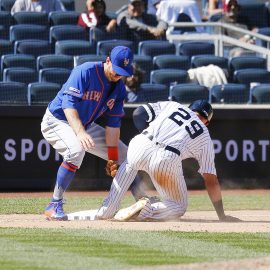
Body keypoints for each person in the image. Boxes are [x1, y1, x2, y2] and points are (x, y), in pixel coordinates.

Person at [41, 46, 146, 221]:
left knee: (127, 155)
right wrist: (80, 133)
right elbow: (68, 105)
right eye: (116, 69)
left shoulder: (118, 88)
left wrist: (112, 157)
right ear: (107, 61)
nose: (118, 75)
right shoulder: (85, 71)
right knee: (76, 150)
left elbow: (113, 124)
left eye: (122, 72)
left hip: (85, 124)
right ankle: (54, 204)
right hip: (57, 120)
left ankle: (143, 201)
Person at [96, 100, 240, 222]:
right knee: (178, 205)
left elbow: (139, 113)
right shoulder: (204, 134)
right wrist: (221, 215)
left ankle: (108, 208)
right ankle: (147, 208)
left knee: (130, 165)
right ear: (207, 122)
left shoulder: (173, 106)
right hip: (166, 157)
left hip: (141, 142)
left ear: (190, 109)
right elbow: (211, 180)